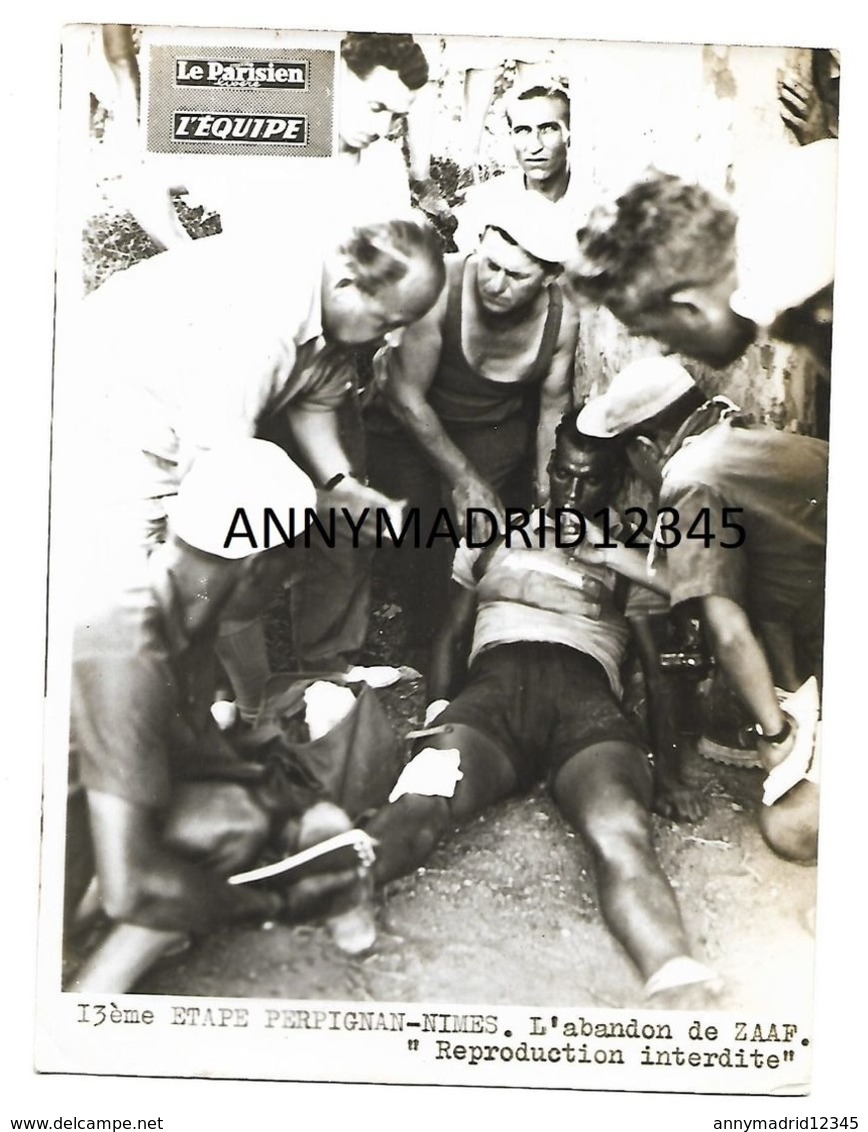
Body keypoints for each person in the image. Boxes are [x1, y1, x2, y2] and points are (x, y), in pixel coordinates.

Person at [357, 414, 719, 1006]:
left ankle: (676, 975)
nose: (572, 493)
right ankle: (341, 884)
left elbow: (654, 672)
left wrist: (671, 773)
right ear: (548, 467)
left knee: (622, 830)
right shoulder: (496, 533)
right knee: (420, 795)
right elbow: (449, 636)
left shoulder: (627, 558)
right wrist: (439, 715)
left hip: (585, 706)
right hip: (493, 695)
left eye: (590, 480)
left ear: (617, 481)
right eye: (562, 474)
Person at [65, 218, 445, 718]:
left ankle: (234, 702)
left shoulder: (332, 295)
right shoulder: (261, 324)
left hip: (189, 419)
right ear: (348, 284)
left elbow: (315, 390)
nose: (394, 339)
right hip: (110, 417)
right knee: (137, 596)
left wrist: (342, 485)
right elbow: (220, 509)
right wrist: (320, 505)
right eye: (386, 321)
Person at [65, 441, 375, 992]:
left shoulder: (189, 595)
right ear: (257, 565)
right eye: (291, 562)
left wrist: (293, 809)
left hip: (82, 817)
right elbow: (130, 885)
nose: (292, 579)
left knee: (244, 811)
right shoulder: (124, 645)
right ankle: (88, 995)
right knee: (190, 859)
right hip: (42, 860)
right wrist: (273, 901)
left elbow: (202, 748)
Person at [575, 358, 828, 863]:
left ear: (646, 450)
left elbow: (727, 626)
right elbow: (713, 582)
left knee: (788, 830)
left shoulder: (689, 480)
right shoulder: (735, 433)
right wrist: (609, 553)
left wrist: (774, 732)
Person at [366, 192, 579, 658]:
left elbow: (551, 412)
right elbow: (405, 397)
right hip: (407, 421)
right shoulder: (439, 286)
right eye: (490, 265)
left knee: (493, 525)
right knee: (424, 523)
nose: (496, 284)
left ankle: (492, 635)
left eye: (516, 275)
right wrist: (465, 480)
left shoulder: (561, 321)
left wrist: (549, 491)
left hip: (489, 428)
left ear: (549, 277)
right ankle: (425, 645)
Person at [567, 139, 837, 376]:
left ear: (690, 306)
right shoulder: (802, 179)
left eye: (655, 333)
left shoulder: (820, 310)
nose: (665, 350)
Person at [453, 83, 584, 253]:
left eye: (548, 129)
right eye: (522, 131)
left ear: (571, 133)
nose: (535, 146)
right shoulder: (486, 202)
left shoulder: (593, 200)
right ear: (510, 136)